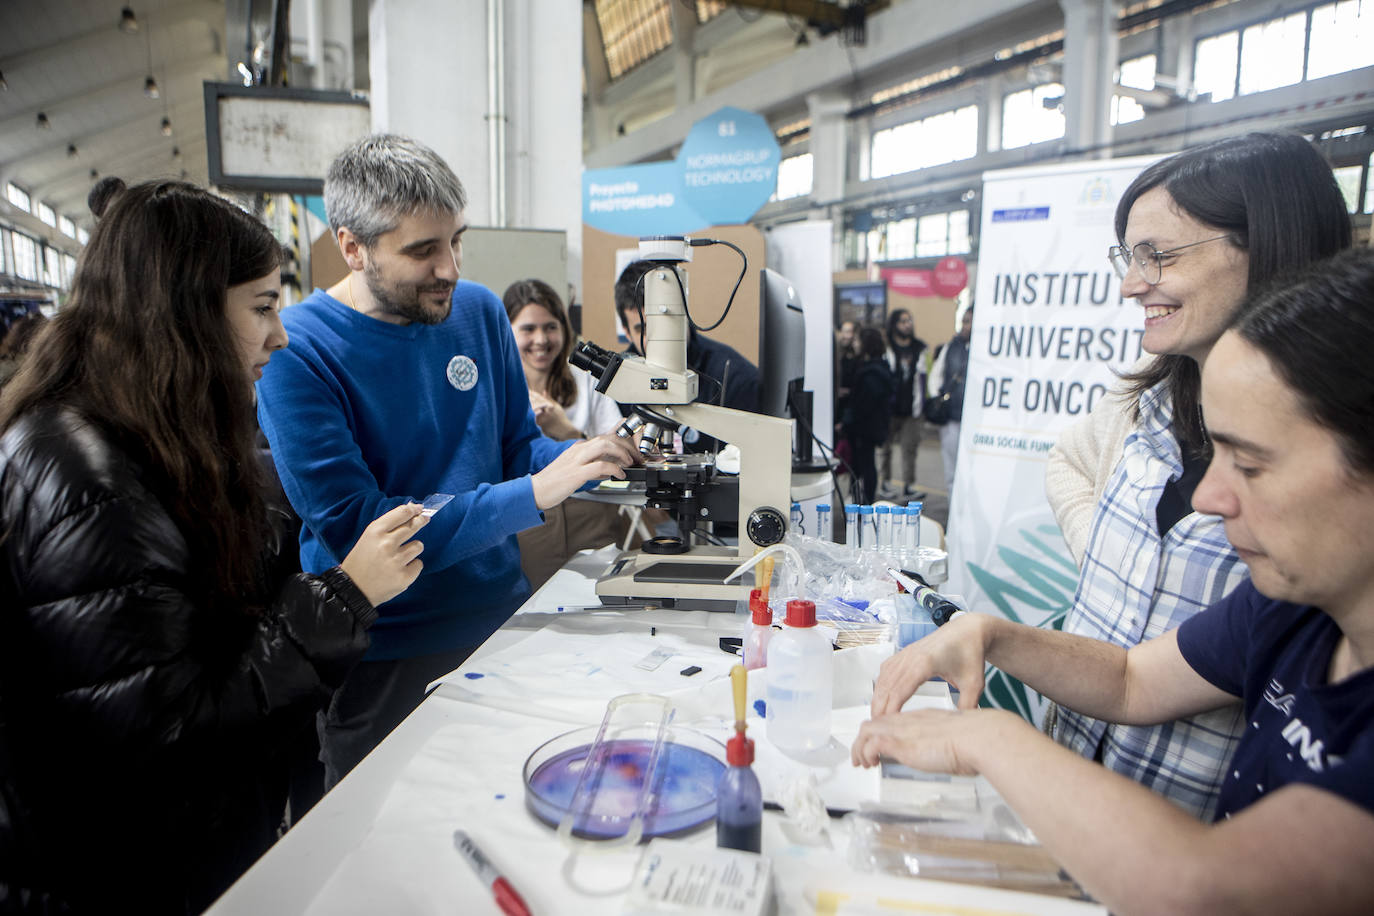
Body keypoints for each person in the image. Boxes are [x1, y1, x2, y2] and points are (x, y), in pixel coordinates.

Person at [854, 249, 1374, 916]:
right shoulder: (1291, 610)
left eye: (1250, 464)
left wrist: (985, 739)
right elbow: (1132, 680)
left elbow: (1205, 886)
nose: (1211, 497)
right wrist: (991, 635)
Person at [0, 179, 428, 913]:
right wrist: (342, 596)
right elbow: (172, 743)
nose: (281, 334)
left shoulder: (152, 439)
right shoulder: (85, 479)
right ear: (184, 311)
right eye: (261, 307)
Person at [257, 134, 640, 786]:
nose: (451, 269)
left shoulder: (481, 312)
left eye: (456, 241)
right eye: (423, 250)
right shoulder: (299, 352)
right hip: (382, 655)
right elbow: (365, 532)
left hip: (498, 626)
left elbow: (516, 448)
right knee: (378, 858)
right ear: (353, 247)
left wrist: (587, 458)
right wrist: (535, 492)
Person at [1043, 132, 1352, 819]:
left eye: (1159, 255)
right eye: (1130, 256)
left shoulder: (1330, 485)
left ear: (1267, 247)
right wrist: (1114, 559)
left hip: (1191, 841)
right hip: (1069, 788)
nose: (1131, 283)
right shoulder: (1143, 406)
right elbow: (1066, 461)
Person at [503, 278, 626, 588]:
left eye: (550, 327)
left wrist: (565, 429)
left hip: (592, 517)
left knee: (599, 604)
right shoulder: (500, 388)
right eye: (528, 329)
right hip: (529, 524)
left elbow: (619, 451)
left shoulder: (587, 380)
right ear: (508, 331)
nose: (541, 340)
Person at [615, 259, 761, 452]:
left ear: (684, 314)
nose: (658, 339)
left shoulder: (736, 377)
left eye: (664, 326)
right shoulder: (619, 379)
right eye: (643, 329)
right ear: (626, 332)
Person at [842, 327, 894, 504]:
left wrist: (849, 421)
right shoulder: (877, 368)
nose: (854, 344)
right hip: (870, 427)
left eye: (857, 340)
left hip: (865, 428)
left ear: (866, 344)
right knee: (862, 464)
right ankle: (860, 500)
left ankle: (864, 502)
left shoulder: (871, 372)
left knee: (865, 464)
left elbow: (865, 403)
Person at [878, 307, 927, 497]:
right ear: (894, 324)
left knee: (910, 449)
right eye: (903, 321)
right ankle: (886, 483)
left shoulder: (919, 348)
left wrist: (921, 405)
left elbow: (923, 379)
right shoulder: (887, 347)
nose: (907, 325)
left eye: (909, 320)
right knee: (885, 449)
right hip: (889, 408)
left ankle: (909, 485)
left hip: (911, 409)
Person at [926, 304, 971, 497]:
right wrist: (939, 397)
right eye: (964, 321)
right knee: (951, 468)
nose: (965, 326)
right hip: (951, 417)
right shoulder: (950, 347)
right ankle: (954, 512)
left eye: (969, 321)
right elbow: (936, 374)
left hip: (973, 421)